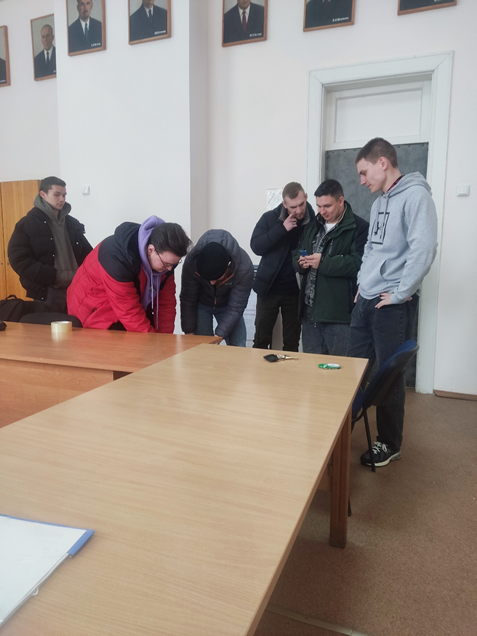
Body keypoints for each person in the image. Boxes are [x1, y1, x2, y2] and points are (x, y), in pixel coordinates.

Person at [350, 137, 438, 467]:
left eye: (364, 172)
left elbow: (423, 248)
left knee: (388, 378)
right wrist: (362, 283)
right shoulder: (378, 204)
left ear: (382, 163)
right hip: (366, 299)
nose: (362, 181)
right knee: (350, 369)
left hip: (390, 305)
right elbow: (371, 249)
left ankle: (389, 443)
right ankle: (340, 430)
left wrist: (400, 292)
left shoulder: (416, 196)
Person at [67, 217, 191, 332]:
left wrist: (165, 340)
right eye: (166, 264)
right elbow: (129, 311)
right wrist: (152, 342)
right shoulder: (116, 256)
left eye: (174, 264)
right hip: (95, 309)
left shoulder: (165, 263)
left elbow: (166, 304)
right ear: (151, 250)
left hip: (125, 307)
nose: (169, 269)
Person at [294, 179, 368, 356]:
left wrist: (323, 262)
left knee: (339, 368)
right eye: (319, 206)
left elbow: (358, 264)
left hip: (339, 315)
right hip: (310, 312)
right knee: (312, 368)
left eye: (327, 206)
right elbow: (297, 252)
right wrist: (300, 262)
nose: (322, 211)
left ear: (341, 201)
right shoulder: (312, 226)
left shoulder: (359, 228)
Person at [8, 176, 92, 312]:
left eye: (64, 195)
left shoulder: (72, 223)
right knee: (51, 326)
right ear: (43, 194)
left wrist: (87, 277)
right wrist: (52, 276)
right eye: (57, 194)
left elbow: (88, 254)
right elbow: (19, 260)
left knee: (78, 325)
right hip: (48, 291)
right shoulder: (27, 224)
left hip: (78, 288)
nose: (62, 199)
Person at [251, 182, 314, 352]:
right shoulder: (269, 218)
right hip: (268, 289)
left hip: (296, 292)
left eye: (301, 204)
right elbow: (256, 246)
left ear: (306, 197)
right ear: (284, 204)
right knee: (261, 341)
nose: (298, 210)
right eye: (293, 207)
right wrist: (282, 229)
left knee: (292, 344)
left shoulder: (313, 222)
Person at [180, 230, 254, 346]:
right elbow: (188, 298)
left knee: (238, 345)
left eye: (216, 278)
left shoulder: (244, 268)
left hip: (229, 305)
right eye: (207, 278)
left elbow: (236, 308)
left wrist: (218, 336)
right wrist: (189, 330)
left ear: (228, 266)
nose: (211, 282)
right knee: (202, 346)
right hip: (202, 303)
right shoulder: (192, 261)